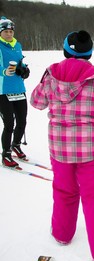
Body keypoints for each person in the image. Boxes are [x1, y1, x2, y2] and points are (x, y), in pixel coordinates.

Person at [30, 30, 94, 261]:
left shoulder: (51, 75)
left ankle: (62, 234)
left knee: (64, 190)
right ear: (89, 53)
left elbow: (36, 101)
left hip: (59, 149)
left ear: (65, 49)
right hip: (91, 151)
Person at [0, 16, 30, 168]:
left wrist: (24, 70)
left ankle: (16, 144)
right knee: (9, 123)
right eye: (6, 31)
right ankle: (5, 154)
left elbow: (20, 62)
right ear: (1, 32)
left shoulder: (17, 45)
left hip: (19, 88)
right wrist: (3, 71)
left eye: (11, 31)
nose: (9, 34)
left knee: (22, 121)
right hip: (3, 90)